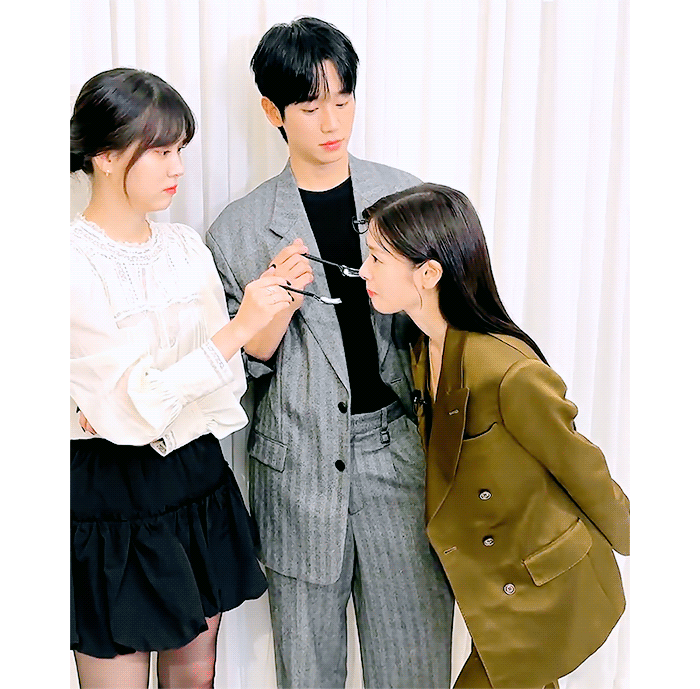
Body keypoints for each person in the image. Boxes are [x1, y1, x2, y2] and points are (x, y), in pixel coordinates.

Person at [205, 17, 454, 689]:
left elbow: (449, 326)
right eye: (311, 107)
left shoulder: (405, 200)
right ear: (273, 113)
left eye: (343, 101)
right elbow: (231, 376)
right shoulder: (238, 229)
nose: (331, 122)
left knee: (414, 665)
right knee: (307, 671)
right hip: (296, 472)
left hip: (399, 457)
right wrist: (271, 310)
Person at [70, 67, 295, 689]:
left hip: (195, 476)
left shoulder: (185, 248)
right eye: (162, 152)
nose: (178, 168)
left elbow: (223, 390)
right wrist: (233, 333)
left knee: (197, 674)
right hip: (110, 494)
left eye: (180, 151)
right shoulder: (67, 261)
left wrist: (244, 329)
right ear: (106, 155)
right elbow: (132, 408)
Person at [357, 183, 630, 689]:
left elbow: (584, 469)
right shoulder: (421, 349)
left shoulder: (505, 371)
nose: (363, 270)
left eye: (376, 258)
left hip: (545, 589)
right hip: (498, 589)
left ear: (428, 274)